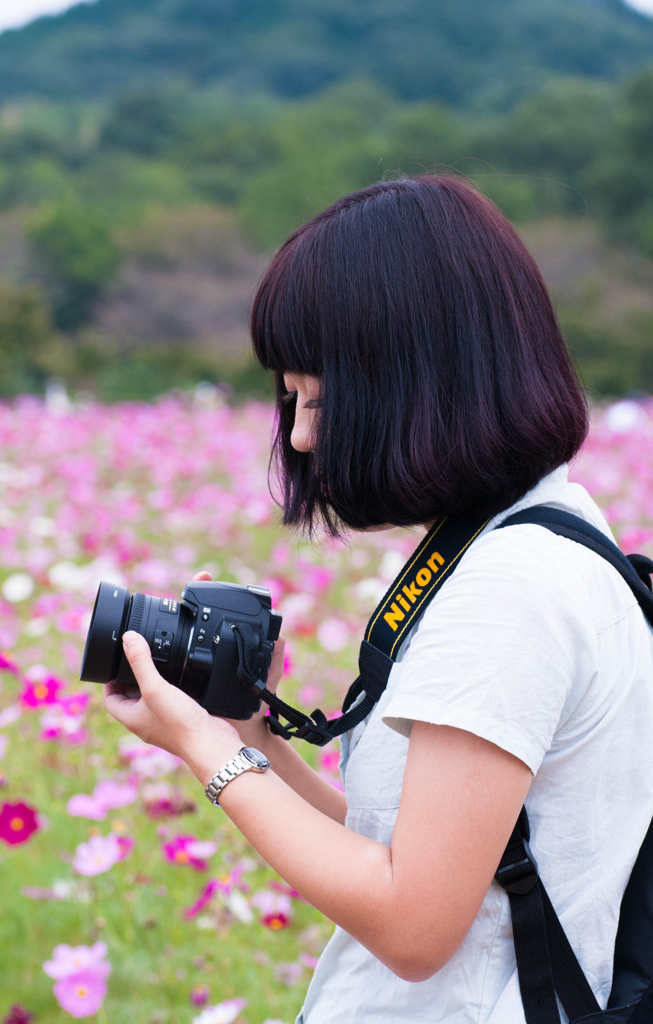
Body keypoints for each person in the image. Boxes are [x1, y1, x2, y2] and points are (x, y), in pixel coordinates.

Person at [104, 175, 653, 1023]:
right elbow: (416, 849)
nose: (299, 435)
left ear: (418, 381)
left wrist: (214, 763)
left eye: (316, 397)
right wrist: (249, 741)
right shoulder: (549, 539)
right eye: (290, 400)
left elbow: (415, 925)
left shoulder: (509, 590)